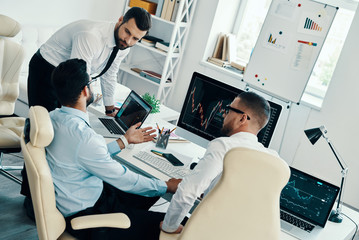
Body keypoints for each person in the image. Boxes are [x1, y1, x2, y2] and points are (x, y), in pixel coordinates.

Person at [21, 6, 151, 211]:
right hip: (46, 69)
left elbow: (110, 73)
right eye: (127, 32)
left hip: (69, 75)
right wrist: (86, 134)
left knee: (62, 136)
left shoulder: (123, 45)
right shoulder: (91, 37)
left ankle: (56, 193)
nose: (129, 41)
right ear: (120, 20)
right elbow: (80, 77)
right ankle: (33, 199)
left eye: (136, 39)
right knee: (42, 133)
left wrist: (110, 110)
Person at [46, 58, 180, 239]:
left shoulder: (52, 118)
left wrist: (124, 141)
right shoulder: (85, 138)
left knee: (150, 193)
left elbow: (84, 155)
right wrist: (167, 185)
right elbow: (125, 180)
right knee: (172, 223)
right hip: (88, 215)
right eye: (91, 83)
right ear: (86, 90)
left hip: (72, 197)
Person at [160, 91, 283, 233]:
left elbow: (187, 192)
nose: (224, 115)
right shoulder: (273, 159)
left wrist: (169, 227)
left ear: (242, 118)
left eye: (229, 110)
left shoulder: (223, 146)